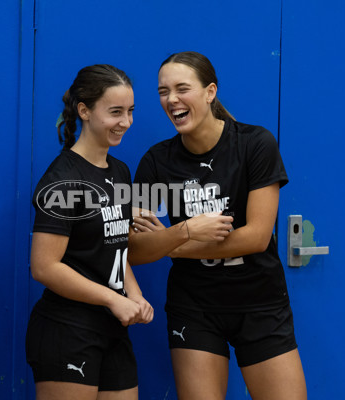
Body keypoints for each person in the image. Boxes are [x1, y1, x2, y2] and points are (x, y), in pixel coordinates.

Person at [129, 51, 307, 400]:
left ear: (210, 92)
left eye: (182, 88)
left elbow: (256, 237)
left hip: (260, 303)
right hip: (194, 307)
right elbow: (134, 251)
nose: (171, 99)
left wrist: (172, 245)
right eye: (163, 91)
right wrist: (185, 230)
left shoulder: (255, 144)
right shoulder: (156, 161)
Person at [26, 64, 153, 400]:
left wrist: (134, 295)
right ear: (84, 110)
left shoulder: (121, 171)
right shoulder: (63, 181)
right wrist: (114, 299)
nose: (125, 122)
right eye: (115, 112)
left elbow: (115, 249)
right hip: (67, 329)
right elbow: (44, 267)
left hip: (113, 327)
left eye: (130, 112)